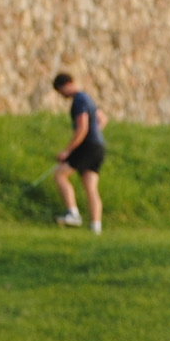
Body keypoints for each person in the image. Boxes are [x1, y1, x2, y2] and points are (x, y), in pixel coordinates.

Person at [51, 72, 105, 234]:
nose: (62, 96)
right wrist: (95, 133)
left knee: (59, 175)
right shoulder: (88, 98)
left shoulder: (78, 101)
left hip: (87, 146)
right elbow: (102, 119)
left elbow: (82, 127)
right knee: (91, 186)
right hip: (99, 146)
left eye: (60, 92)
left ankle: (72, 214)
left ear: (65, 86)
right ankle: (96, 227)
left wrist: (67, 151)